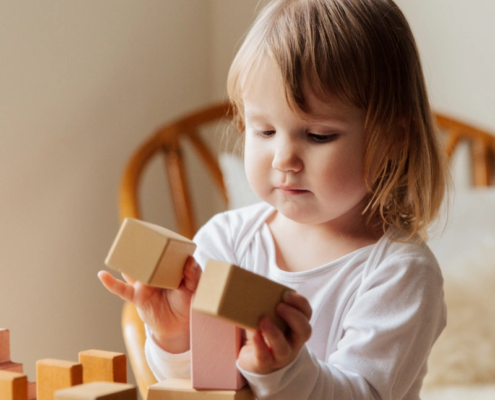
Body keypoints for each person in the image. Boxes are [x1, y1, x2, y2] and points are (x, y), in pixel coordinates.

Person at [99, 0, 450, 398]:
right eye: (263, 131)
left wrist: (285, 371)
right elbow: (195, 383)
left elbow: (362, 393)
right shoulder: (226, 240)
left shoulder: (400, 274)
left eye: (318, 135)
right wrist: (174, 337)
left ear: (393, 138)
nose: (284, 159)